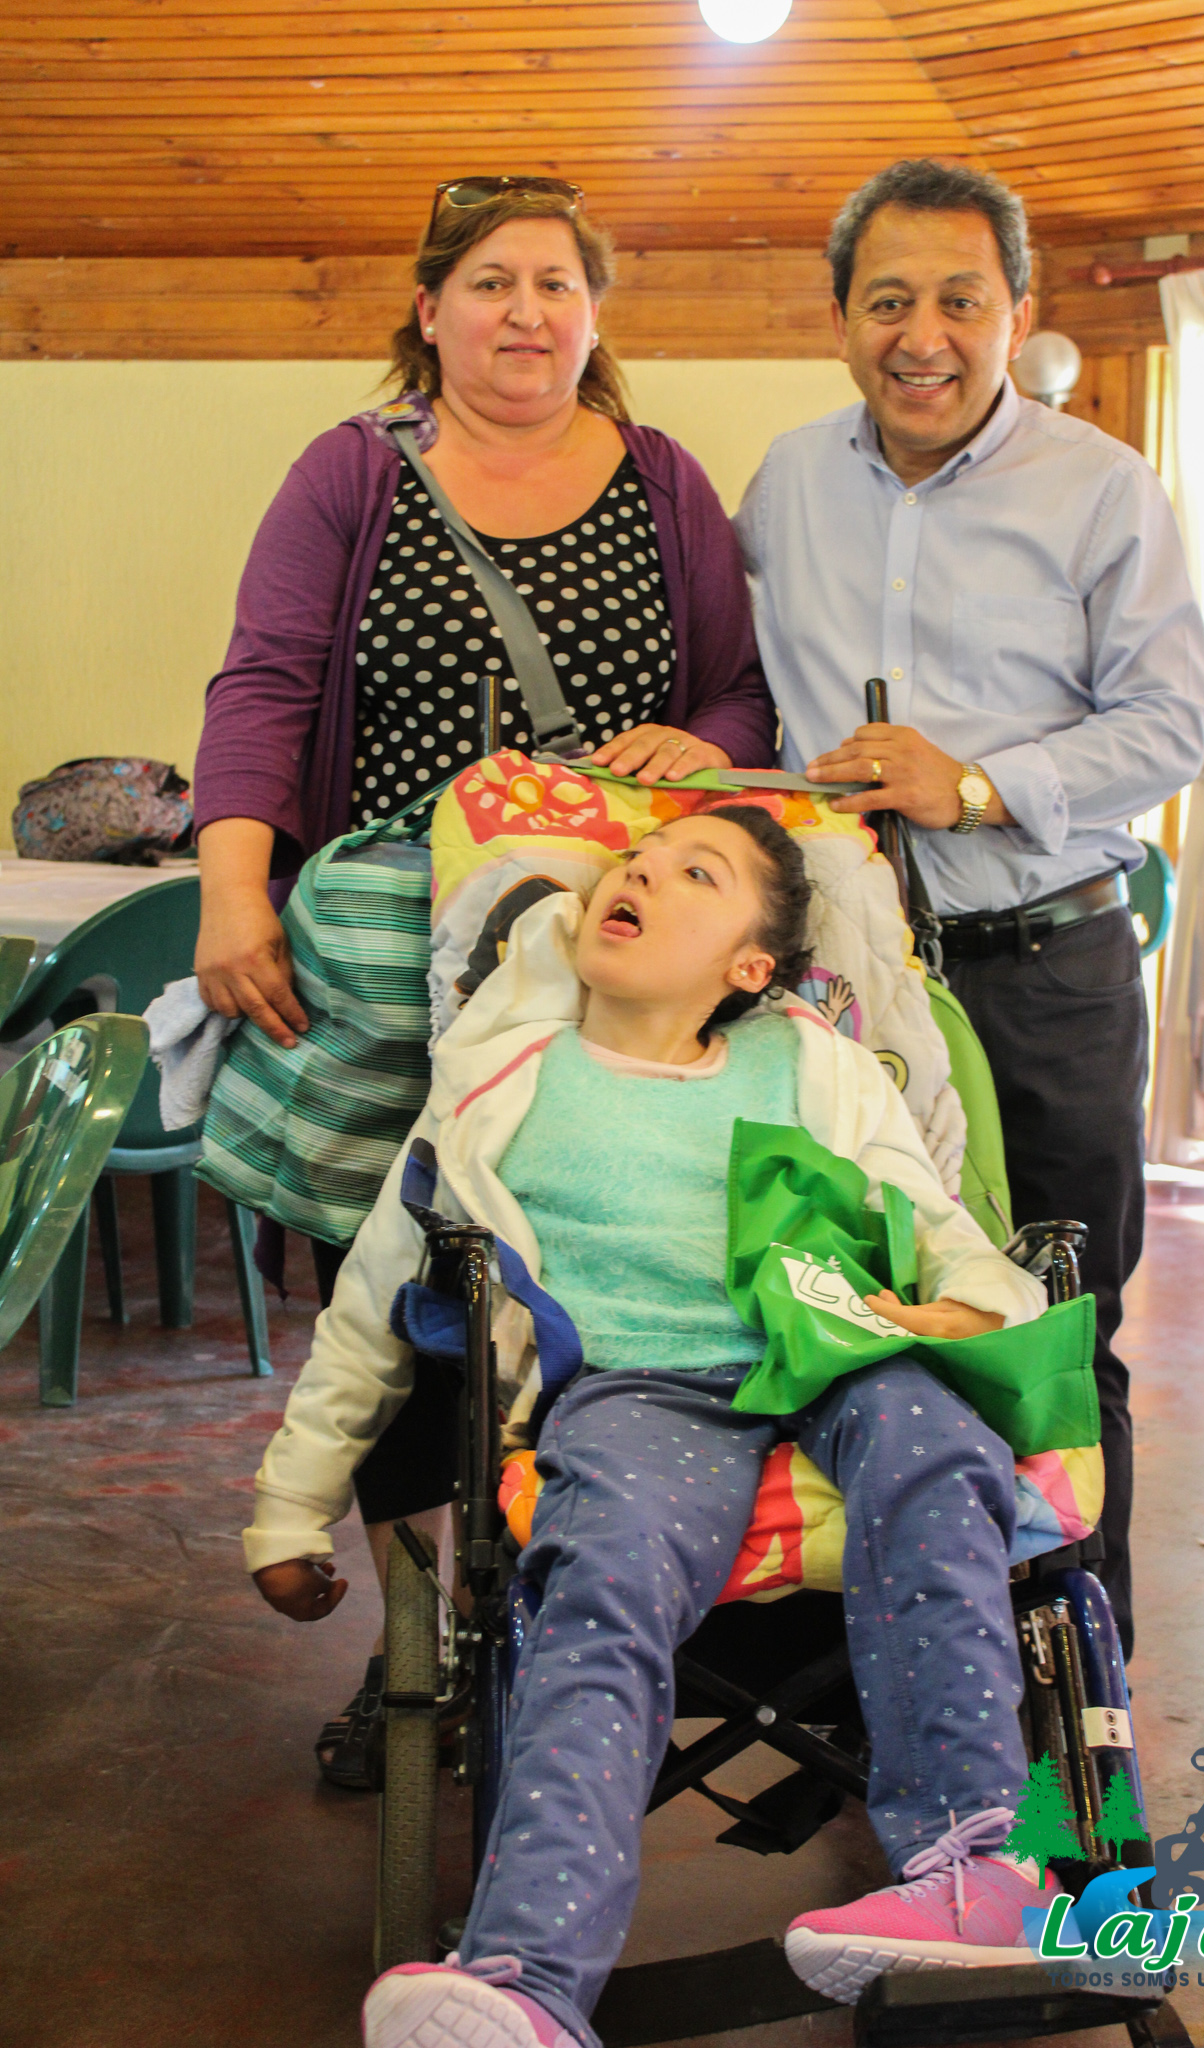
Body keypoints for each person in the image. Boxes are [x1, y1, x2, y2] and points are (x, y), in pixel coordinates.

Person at [245, 804, 1064, 2048]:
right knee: (602, 1573)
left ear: (752, 962)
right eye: (635, 861)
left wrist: (976, 1305)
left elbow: (933, 1220)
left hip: (833, 1344)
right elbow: (370, 1302)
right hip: (637, 1385)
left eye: (698, 872)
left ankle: (979, 1870)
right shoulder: (503, 1081)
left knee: (937, 1440)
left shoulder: (815, 1064)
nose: (640, 873)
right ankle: (527, 1975)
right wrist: (290, 1506)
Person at [192, 176, 777, 1777]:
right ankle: (411, 1659)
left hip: (603, 957)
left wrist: (698, 745)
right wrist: (232, 890)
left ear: (594, 316)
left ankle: (567, 1625)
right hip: (394, 958)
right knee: (393, 1293)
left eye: (557, 284)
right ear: (432, 310)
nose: (527, 310)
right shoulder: (351, 472)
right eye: (493, 281)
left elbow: (738, 698)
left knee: (580, 1277)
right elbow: (266, 681)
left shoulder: (662, 480)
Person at [734, 159, 1204, 1658]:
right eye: (888, 301)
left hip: (1045, 972)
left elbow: (1172, 723)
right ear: (840, 318)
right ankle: (884, 1679)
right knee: (858, 1314)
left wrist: (982, 786)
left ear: (1018, 310)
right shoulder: (786, 483)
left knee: (1059, 1327)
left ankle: (1081, 1690)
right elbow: (746, 686)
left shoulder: (1101, 488)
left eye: (960, 299)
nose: (922, 335)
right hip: (841, 992)